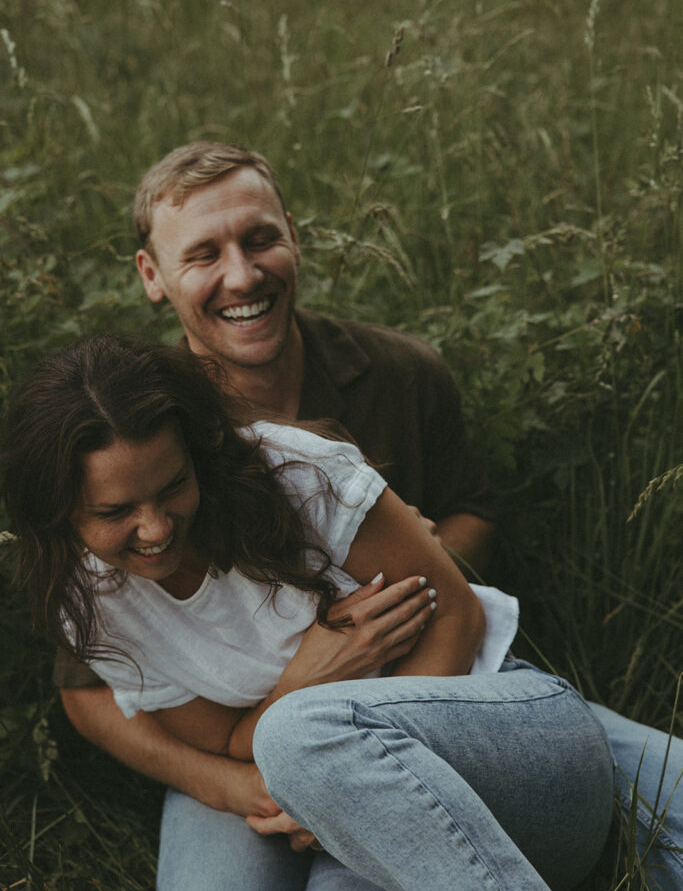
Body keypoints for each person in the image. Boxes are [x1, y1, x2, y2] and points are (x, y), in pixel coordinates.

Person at [54, 142, 682, 889]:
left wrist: (407, 556)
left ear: (295, 237)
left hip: (428, 676)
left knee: (655, 790)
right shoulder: (140, 436)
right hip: (246, 739)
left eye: (260, 239)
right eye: (203, 254)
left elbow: (471, 522)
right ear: (152, 275)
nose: (242, 276)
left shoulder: (397, 373)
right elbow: (90, 690)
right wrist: (228, 780)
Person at [4, 334, 615, 891]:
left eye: (173, 487)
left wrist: (339, 777)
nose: (157, 528)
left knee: (294, 734)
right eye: (116, 512)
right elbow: (226, 741)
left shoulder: (296, 475)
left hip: (490, 722)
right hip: (303, 770)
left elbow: (455, 615)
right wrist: (305, 684)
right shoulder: (90, 598)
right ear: (60, 511)